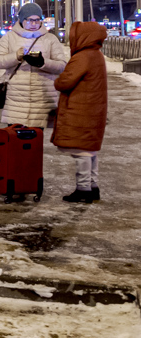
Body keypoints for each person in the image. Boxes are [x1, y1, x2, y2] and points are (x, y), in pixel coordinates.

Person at [52, 21, 109, 203]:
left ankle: (83, 189)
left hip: (81, 109)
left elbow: (64, 83)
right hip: (92, 108)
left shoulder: (82, 57)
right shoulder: (96, 55)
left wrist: (58, 79)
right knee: (89, 149)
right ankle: (92, 186)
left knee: (81, 151)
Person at [0, 2, 68, 128]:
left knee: (35, 141)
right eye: (29, 20)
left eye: (37, 20)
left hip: (42, 100)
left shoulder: (50, 39)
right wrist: (15, 56)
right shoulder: (9, 37)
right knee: (15, 141)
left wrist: (43, 63)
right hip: (16, 101)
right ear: (22, 20)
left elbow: (62, 66)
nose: (34, 24)